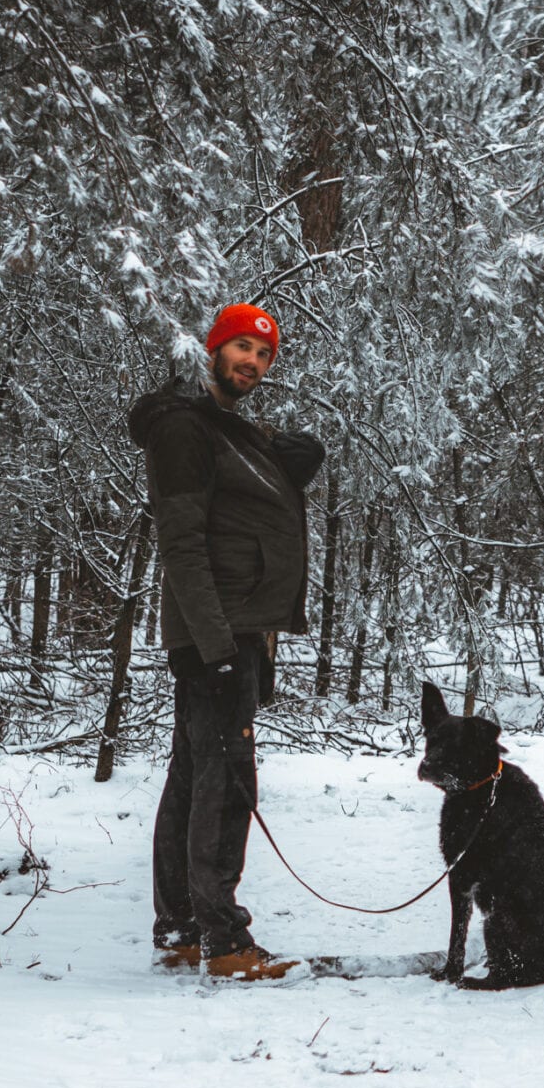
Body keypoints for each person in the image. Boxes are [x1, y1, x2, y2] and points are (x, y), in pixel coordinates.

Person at [126, 302, 324, 979]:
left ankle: (182, 928)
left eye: (265, 355)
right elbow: (181, 544)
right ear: (214, 348)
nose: (254, 363)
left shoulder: (221, 429)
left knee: (193, 778)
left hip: (237, 632)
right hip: (219, 636)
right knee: (226, 784)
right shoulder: (184, 428)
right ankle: (224, 940)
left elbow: (241, 505)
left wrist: (286, 458)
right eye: (243, 347)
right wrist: (213, 647)